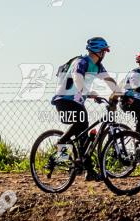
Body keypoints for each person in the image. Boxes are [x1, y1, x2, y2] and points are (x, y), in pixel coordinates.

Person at [51, 36, 123, 178]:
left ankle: (88, 170)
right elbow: (77, 78)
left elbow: (108, 79)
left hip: (76, 103)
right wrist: (87, 92)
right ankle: (61, 144)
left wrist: (120, 92)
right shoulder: (81, 61)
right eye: (104, 51)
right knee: (82, 121)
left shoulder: (97, 66)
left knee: (84, 135)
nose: (105, 54)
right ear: (97, 51)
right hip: (64, 101)